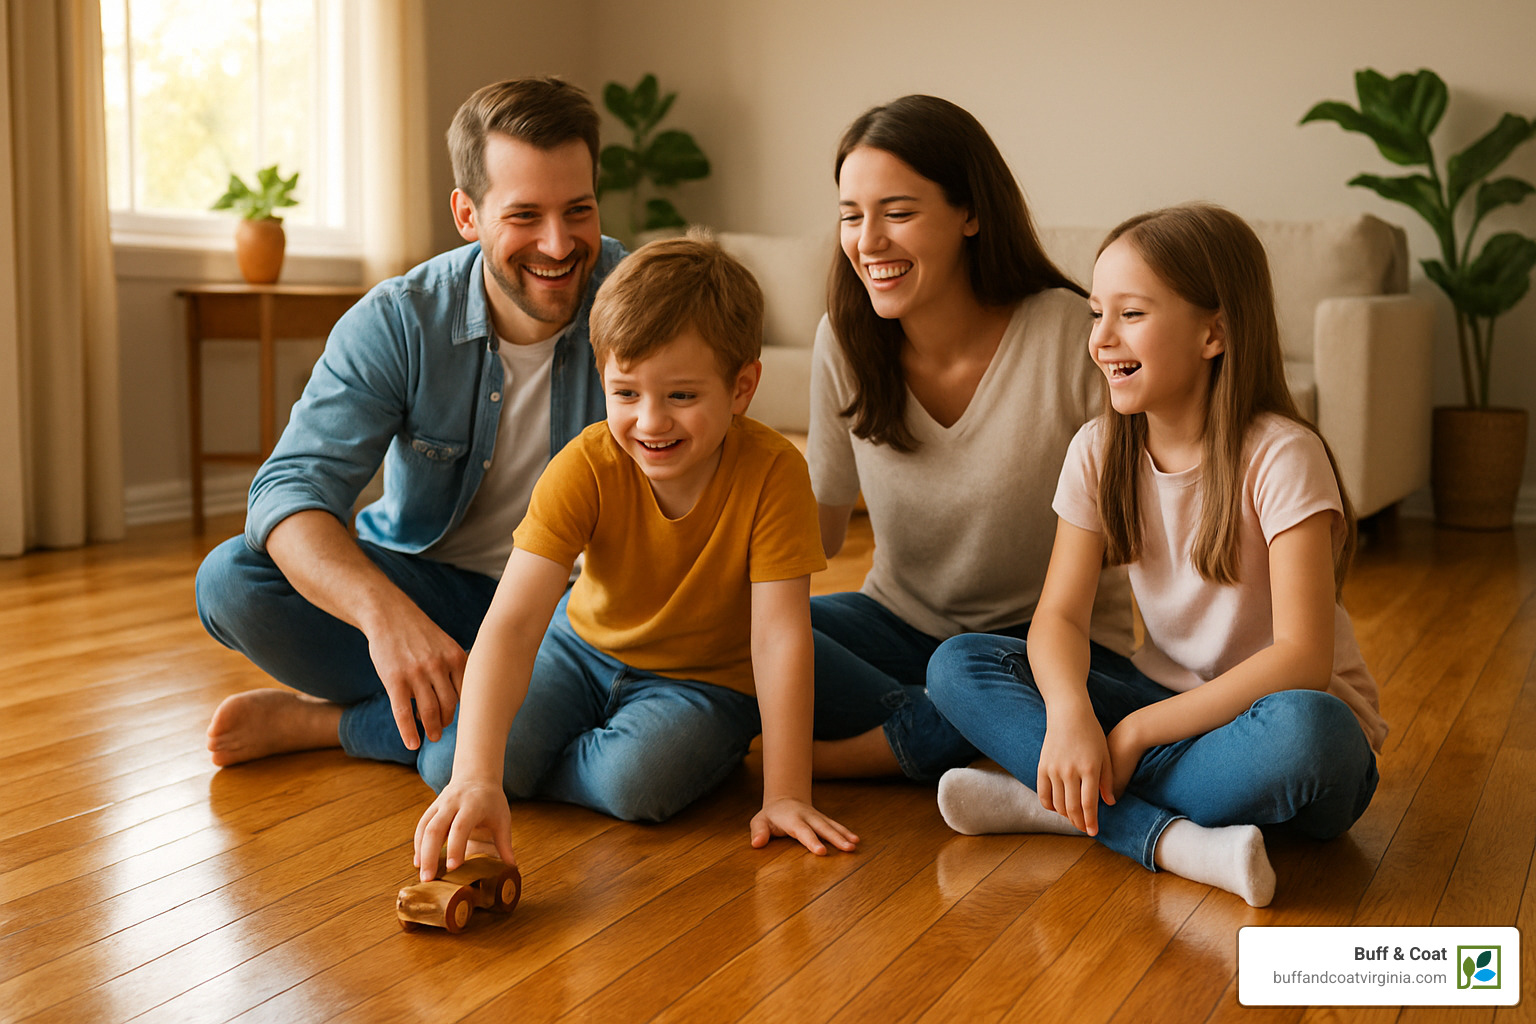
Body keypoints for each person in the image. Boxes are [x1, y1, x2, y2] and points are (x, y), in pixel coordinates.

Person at [927, 204, 1386, 908]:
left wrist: (1135, 732)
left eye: (1131, 314)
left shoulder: (1284, 455)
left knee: (1310, 734)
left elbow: (1302, 660)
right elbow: (1058, 617)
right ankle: (1170, 838)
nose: (1102, 340)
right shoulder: (1097, 451)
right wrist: (1072, 710)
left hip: (1277, 723)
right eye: (1095, 314)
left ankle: (1051, 803)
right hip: (1166, 698)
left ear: (1215, 332)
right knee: (958, 665)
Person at [196, 77, 626, 770]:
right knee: (231, 581)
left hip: (578, 616)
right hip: (436, 595)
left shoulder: (636, 304)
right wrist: (385, 620)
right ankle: (470, 706)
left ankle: (338, 727)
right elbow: (289, 491)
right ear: (467, 213)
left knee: (492, 756)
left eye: (578, 210)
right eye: (524, 216)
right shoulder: (400, 319)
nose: (558, 243)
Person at [413, 233, 858, 880]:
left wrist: (785, 792)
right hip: (581, 649)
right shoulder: (585, 467)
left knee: (636, 787)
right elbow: (511, 625)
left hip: (702, 681)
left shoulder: (775, 474)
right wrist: (479, 777)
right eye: (625, 394)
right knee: (453, 766)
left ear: (742, 387)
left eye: (681, 396)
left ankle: (537, 764)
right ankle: (368, 733)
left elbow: (782, 636)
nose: (650, 422)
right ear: (602, 381)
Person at [807, 95, 1133, 782]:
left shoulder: (1071, 335)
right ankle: (980, 739)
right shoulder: (844, 338)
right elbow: (819, 536)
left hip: (1045, 647)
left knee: (976, 675)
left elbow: (1142, 527)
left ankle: (894, 749)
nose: (868, 241)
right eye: (851, 215)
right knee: (754, 633)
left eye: (898, 212)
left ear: (971, 214)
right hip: (895, 628)